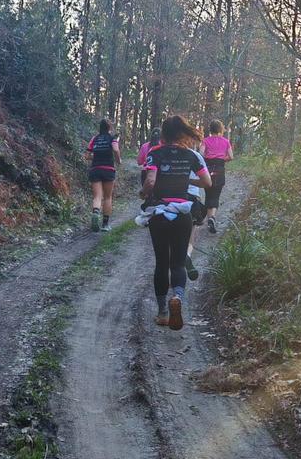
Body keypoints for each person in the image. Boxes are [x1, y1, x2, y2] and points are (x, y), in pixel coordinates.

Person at [137, 115, 211, 331]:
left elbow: (150, 181)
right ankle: (177, 297)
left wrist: (143, 194)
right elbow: (207, 182)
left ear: (164, 135)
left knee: (161, 262)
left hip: (159, 213)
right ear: (182, 134)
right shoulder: (192, 155)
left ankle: (162, 313)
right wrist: (186, 180)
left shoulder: (155, 153)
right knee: (178, 263)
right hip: (183, 213)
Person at [85, 119, 121, 231]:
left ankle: (95, 212)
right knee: (107, 197)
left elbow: (87, 155)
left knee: (97, 197)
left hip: (95, 169)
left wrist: (96, 156)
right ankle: (105, 225)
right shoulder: (112, 138)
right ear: (109, 128)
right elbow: (115, 150)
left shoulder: (94, 138)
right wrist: (118, 160)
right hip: (108, 169)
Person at [200, 120, 234, 234]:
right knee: (215, 195)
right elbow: (231, 156)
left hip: (208, 169)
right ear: (220, 129)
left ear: (210, 129)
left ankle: (209, 219)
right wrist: (221, 159)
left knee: (208, 194)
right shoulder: (226, 141)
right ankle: (212, 218)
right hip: (219, 169)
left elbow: (201, 154)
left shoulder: (205, 141)